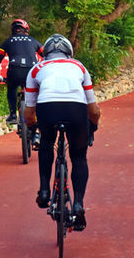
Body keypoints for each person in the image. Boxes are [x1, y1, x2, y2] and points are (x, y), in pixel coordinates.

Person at [24, 34, 101, 232]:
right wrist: (92, 127)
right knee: (79, 157)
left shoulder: (36, 69)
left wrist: (33, 128)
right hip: (76, 111)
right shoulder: (79, 67)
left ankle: (43, 191)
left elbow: (29, 112)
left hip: (47, 109)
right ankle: (79, 204)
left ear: (46, 53)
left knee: (47, 143)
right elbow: (93, 110)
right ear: (69, 52)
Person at [0, 19, 43, 127]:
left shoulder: (7, 42)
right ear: (26, 30)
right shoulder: (33, 41)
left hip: (14, 71)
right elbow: (46, 55)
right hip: (31, 70)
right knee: (36, 91)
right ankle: (38, 114)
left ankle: (13, 115)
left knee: (12, 87)